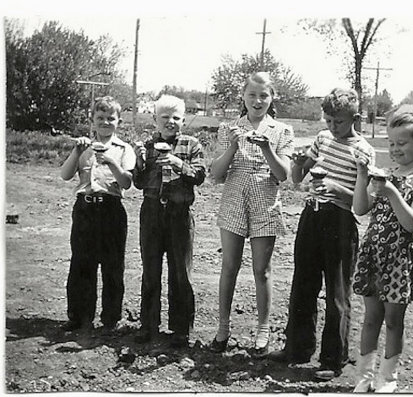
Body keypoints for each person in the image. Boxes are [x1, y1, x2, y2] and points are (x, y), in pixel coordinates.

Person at [268, 88, 376, 381]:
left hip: (340, 222)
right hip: (312, 216)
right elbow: (297, 178)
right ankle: (298, 348)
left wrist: (338, 189)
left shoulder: (363, 150)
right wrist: (301, 161)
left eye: (338, 122)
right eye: (328, 120)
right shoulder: (322, 139)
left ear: (354, 118)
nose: (332, 127)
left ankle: (333, 357)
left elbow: (361, 203)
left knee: (337, 294)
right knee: (303, 284)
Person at [209, 72, 294, 358]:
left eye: (264, 95)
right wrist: (234, 145)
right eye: (252, 95)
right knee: (229, 266)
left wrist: (266, 147)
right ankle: (223, 328)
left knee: (262, 270)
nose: (257, 101)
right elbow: (217, 176)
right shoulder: (228, 128)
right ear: (243, 97)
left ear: (272, 98)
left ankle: (263, 330)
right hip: (234, 197)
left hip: (265, 200)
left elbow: (283, 175)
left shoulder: (282, 131)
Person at [351, 113, 413, 393]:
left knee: (393, 322)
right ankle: (363, 379)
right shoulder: (383, 175)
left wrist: (390, 193)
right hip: (375, 253)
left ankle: (387, 379)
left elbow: (412, 222)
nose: (395, 149)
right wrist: (363, 175)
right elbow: (360, 208)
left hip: (399, 257)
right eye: (391, 143)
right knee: (370, 319)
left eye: (402, 143)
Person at [132, 94, 206, 348]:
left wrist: (177, 163)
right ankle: (148, 324)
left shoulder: (191, 144)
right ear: (155, 119)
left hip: (179, 213)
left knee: (180, 273)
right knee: (150, 270)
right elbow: (138, 182)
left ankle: (180, 329)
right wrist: (140, 162)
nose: (170, 122)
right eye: (164, 117)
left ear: (183, 120)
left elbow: (199, 176)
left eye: (175, 117)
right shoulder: (147, 145)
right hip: (152, 212)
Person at [60, 96, 136, 333]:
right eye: (100, 118)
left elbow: (126, 182)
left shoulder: (124, 149)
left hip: (111, 209)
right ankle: (79, 316)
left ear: (118, 121)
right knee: (82, 262)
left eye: (110, 119)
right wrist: (77, 151)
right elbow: (65, 175)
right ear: (92, 121)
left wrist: (112, 162)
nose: (105, 122)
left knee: (113, 265)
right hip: (85, 208)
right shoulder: (84, 147)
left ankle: (111, 317)